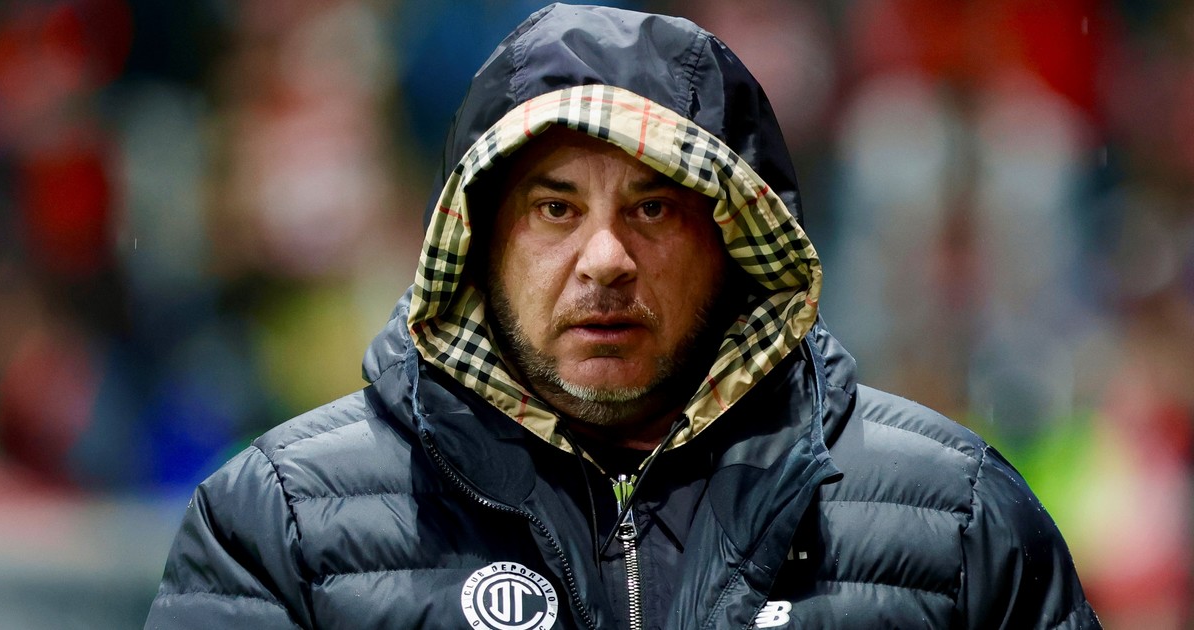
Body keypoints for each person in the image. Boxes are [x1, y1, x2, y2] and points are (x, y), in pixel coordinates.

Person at [147, 4, 1100, 629]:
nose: (605, 259)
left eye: (653, 209)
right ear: (479, 245)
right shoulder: (278, 525)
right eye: (555, 209)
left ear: (735, 244)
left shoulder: (963, 523)